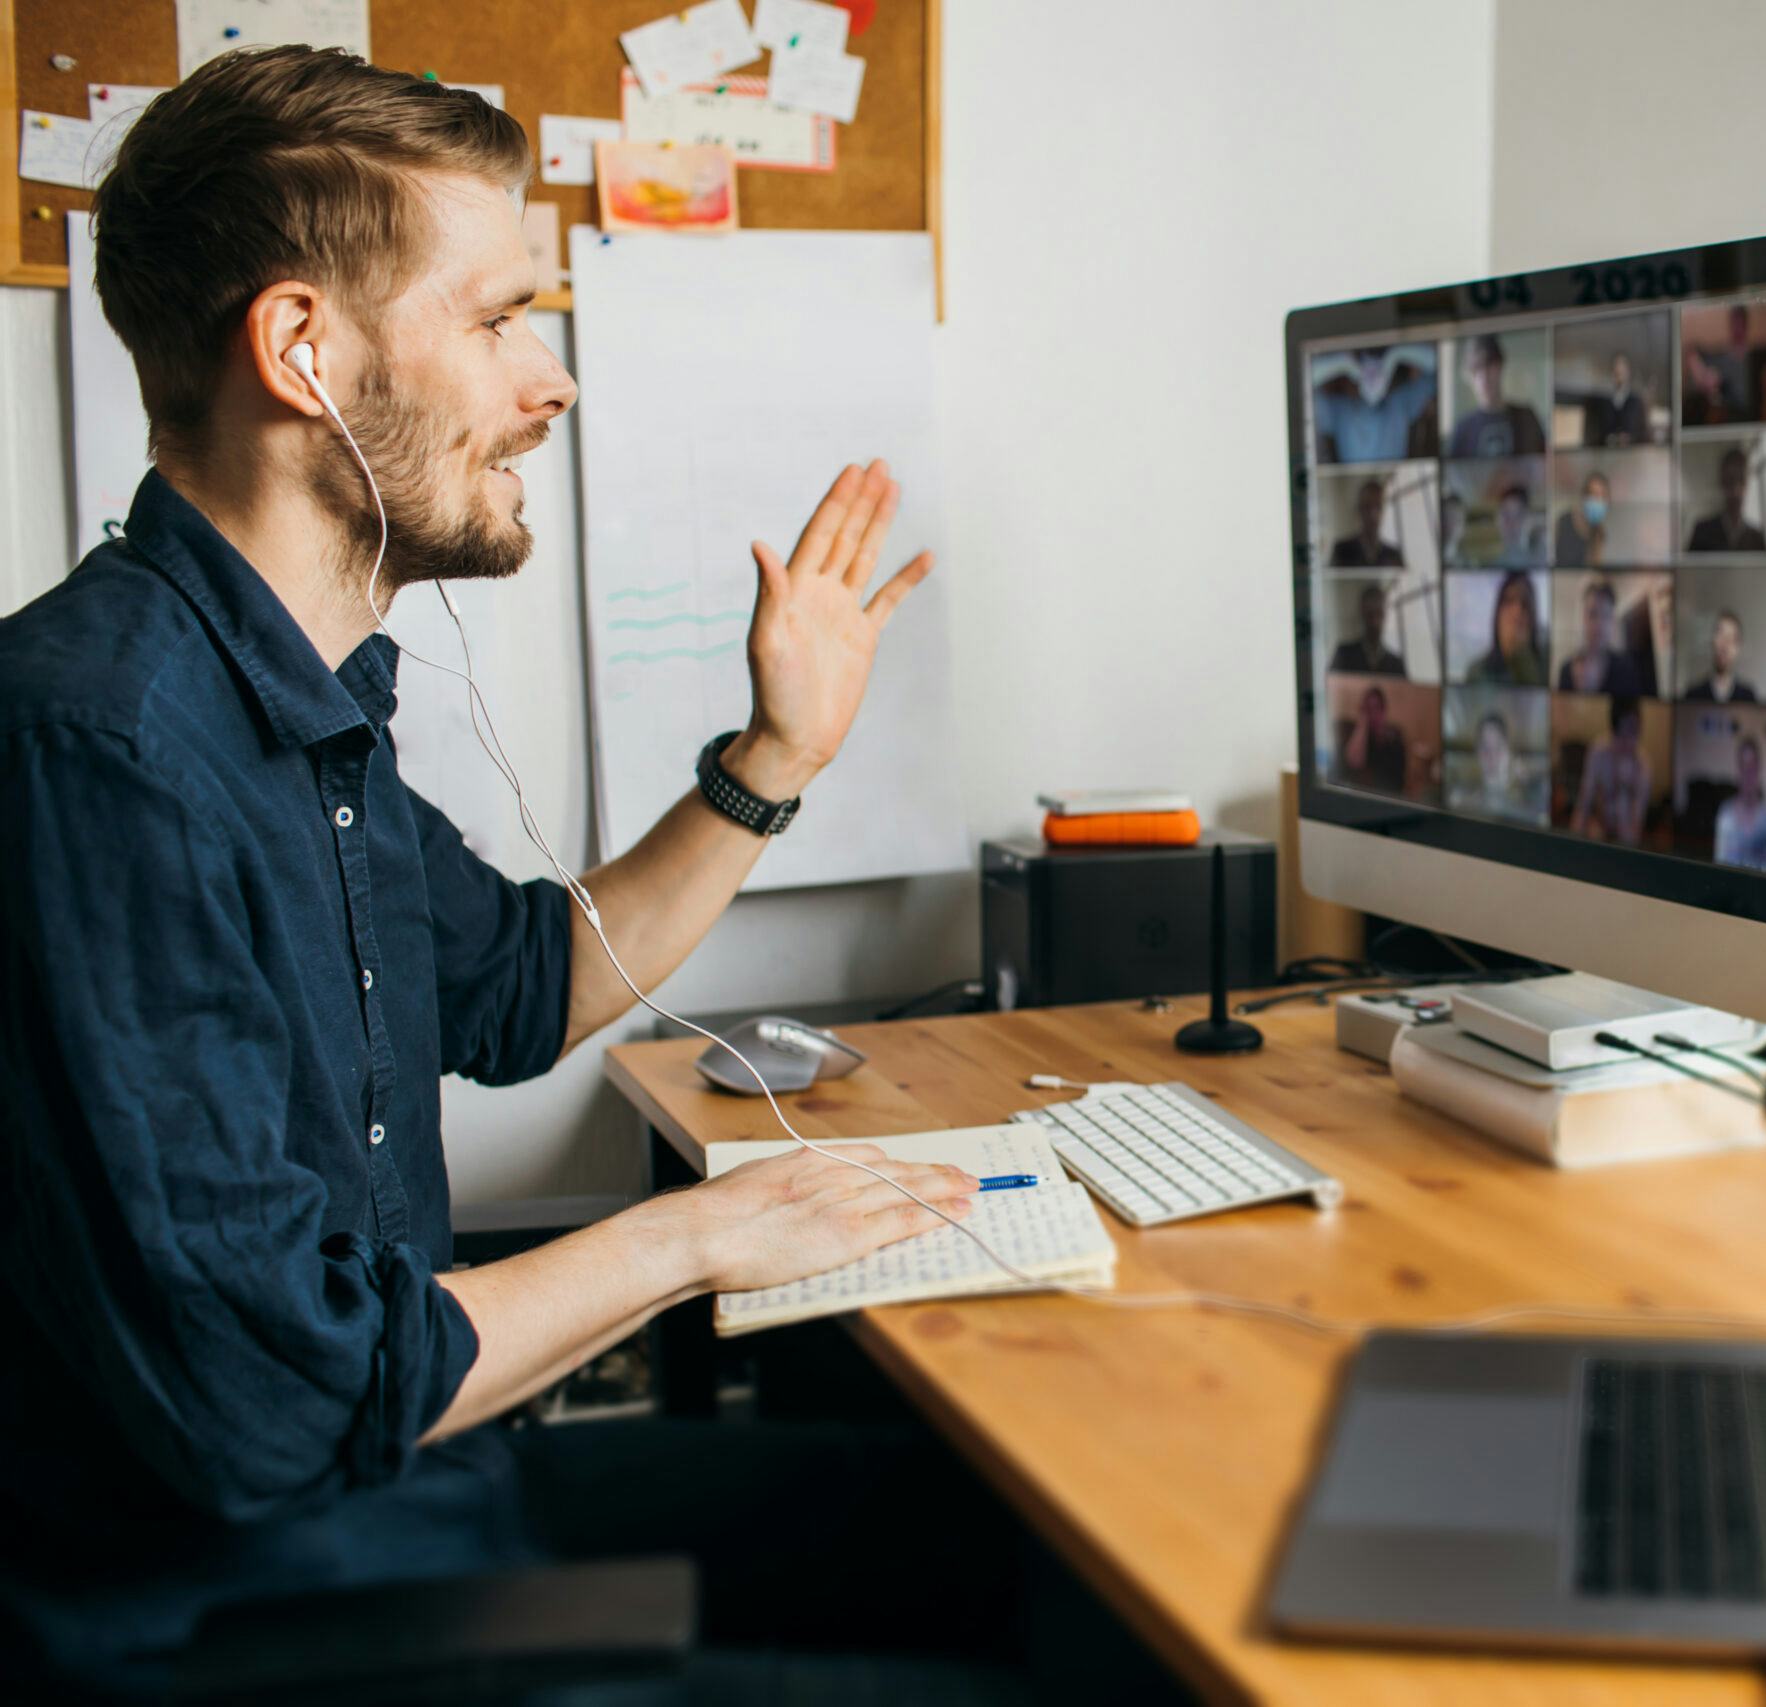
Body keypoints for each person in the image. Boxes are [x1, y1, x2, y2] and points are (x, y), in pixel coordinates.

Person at [0, 50, 1030, 1701]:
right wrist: (697, 1239)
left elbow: (523, 987)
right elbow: (272, 1400)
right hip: (243, 1624)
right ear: (302, 352)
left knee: (1008, 1546)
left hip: (417, 1510)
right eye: (494, 321)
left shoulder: (287, 699)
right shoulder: (101, 747)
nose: (548, 382)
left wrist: (777, 756)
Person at [1313, 343, 1437, 463]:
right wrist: (1344, 364)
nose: (1372, 378)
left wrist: (1395, 355)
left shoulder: (1401, 403)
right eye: (1365, 369)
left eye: (1378, 367)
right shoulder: (1339, 412)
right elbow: (1302, 379)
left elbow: (1442, 365)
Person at [1448, 333, 1546, 458]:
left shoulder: (1526, 417)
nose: (1484, 377)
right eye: (1475, 369)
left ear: (1500, 366)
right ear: (1468, 375)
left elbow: (1544, 464)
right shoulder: (1463, 430)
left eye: (1488, 365)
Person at [1571, 695, 1653, 844]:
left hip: (1627, 836)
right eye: (1622, 733)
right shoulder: (1598, 752)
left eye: (1633, 732)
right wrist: (1574, 841)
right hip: (1597, 829)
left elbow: (1637, 822)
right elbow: (1584, 802)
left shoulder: (1642, 765)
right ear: (1613, 730)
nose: (1628, 741)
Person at [1450, 710, 1539, 822]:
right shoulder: (1461, 801)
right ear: (1477, 752)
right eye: (1485, 748)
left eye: (1498, 747)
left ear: (1508, 752)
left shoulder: (1529, 802)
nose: (1491, 757)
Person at [1559, 578, 1643, 695]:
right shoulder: (1566, 670)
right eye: (1593, 614)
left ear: (1612, 621)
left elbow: (1632, 711)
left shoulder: (1626, 668)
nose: (1599, 624)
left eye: (1606, 615)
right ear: (1584, 618)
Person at [1713, 736, 1766, 872]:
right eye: (1744, 768)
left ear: (1759, 770)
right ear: (1738, 771)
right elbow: (1719, 865)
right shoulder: (1725, 815)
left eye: (1752, 768)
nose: (1748, 775)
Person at [1466, 570, 1547, 686]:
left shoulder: (1545, 668)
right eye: (1509, 601)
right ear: (1497, 615)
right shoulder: (1476, 672)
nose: (1517, 612)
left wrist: (1522, 658)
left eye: (1525, 604)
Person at [1684, 302, 1758, 426]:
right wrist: (1702, 373)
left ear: (1746, 324)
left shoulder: (1754, 356)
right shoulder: (1722, 355)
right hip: (1725, 417)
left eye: (1740, 322)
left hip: (1749, 417)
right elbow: (1692, 350)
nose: (1737, 327)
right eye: (1734, 322)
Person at [1686, 444, 1766, 553]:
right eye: (1730, 480)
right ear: (1722, 482)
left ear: (1747, 482)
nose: (1736, 490)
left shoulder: (1757, 538)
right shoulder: (1702, 533)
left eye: (1741, 479)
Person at [1338, 684, 1408, 794]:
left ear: (1384, 710)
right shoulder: (1360, 736)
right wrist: (1362, 722)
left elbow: (1398, 782)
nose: (1373, 714)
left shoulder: (1394, 738)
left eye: (1377, 708)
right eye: (1368, 709)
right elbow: (1354, 762)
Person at [1327, 583, 1407, 677]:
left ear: (1385, 615)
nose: (1375, 622)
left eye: (1379, 614)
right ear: (1362, 614)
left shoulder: (1396, 664)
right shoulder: (1343, 655)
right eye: (1370, 614)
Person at [1683, 608, 1759, 703]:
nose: (1724, 645)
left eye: (1731, 638)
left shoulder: (1748, 697)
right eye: (1720, 635)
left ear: (1738, 648)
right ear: (1712, 641)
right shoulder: (1693, 695)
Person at [1328, 476, 1405, 568]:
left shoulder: (1394, 555)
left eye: (1378, 507)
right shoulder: (1341, 550)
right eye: (1367, 507)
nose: (1373, 515)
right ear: (1359, 510)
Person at [1584, 350, 1652, 446]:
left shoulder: (1636, 401)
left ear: (1628, 372)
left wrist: (1630, 438)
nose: (1619, 373)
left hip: (1632, 454)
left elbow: (1644, 432)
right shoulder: (1603, 400)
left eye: (1622, 370)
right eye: (1616, 370)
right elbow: (1594, 432)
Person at [1554, 471, 1608, 568]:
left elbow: (1596, 568)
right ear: (1584, 496)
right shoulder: (1564, 521)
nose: (1598, 501)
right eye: (1594, 495)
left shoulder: (1599, 533)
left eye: (1602, 496)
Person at [1493, 484, 1546, 568]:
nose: (1511, 524)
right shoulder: (1495, 565)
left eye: (1518, 516)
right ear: (1497, 519)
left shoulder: (1540, 560)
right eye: (1506, 514)